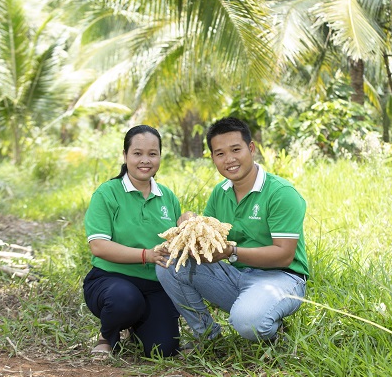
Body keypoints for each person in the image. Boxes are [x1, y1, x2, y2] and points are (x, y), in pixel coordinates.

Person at [156, 117, 308, 344]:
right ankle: (207, 336)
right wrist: (189, 222)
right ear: (213, 158)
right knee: (170, 262)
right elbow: (207, 233)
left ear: (251, 148)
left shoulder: (281, 193)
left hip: (282, 278)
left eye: (236, 149)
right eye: (220, 154)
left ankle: (273, 330)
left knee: (248, 323)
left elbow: (284, 255)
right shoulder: (221, 192)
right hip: (238, 276)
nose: (229, 159)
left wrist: (231, 252)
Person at [83, 125, 181, 357]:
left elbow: (176, 241)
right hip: (111, 280)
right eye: (137, 153)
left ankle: (138, 328)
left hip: (156, 285)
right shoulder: (107, 193)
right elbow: (98, 246)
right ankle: (108, 335)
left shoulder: (168, 197)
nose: (145, 160)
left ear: (159, 156)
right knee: (125, 300)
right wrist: (146, 255)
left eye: (152, 154)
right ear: (125, 156)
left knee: (163, 350)